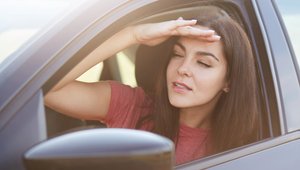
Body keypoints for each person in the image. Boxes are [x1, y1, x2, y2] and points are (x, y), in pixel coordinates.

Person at [45, 6, 260, 165]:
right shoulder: (135, 107)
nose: (183, 68)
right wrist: (133, 35)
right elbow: (50, 90)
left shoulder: (249, 147)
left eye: (203, 63)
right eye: (177, 54)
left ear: (229, 82)